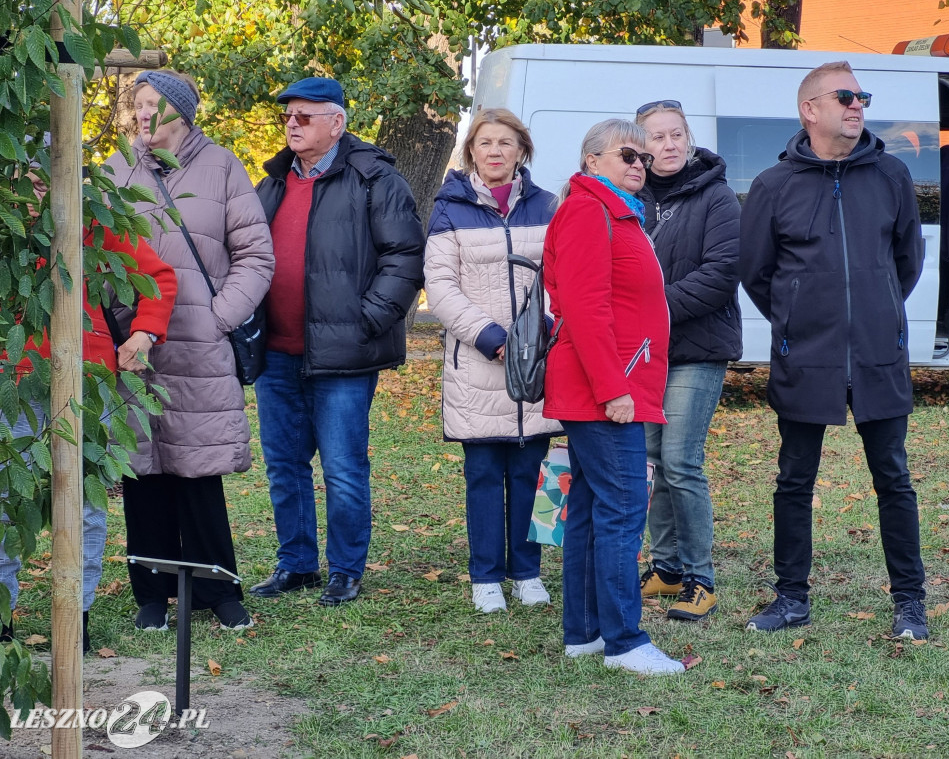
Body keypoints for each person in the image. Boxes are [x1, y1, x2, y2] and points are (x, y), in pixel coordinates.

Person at [739, 61, 928, 640]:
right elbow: (758, 272)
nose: (857, 105)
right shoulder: (774, 186)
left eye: (862, 96)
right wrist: (798, 320)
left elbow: (906, 263)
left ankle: (910, 602)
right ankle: (791, 597)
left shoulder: (892, 175)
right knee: (794, 481)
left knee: (893, 478)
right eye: (844, 96)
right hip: (806, 357)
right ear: (810, 109)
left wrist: (876, 313)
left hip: (878, 355)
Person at [105, 69, 275, 632]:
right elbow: (96, 253)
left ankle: (217, 590)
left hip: (200, 345)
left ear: (182, 110)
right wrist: (115, 323)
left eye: (155, 103)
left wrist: (217, 317)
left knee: (198, 468)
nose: (143, 113)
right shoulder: (114, 170)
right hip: (132, 346)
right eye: (138, 103)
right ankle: (151, 594)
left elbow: (256, 257)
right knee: (143, 468)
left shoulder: (222, 166)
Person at [252, 77, 425, 607]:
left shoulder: (376, 178)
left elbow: (405, 257)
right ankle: (297, 564)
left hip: (344, 354)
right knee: (284, 467)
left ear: (337, 123)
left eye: (304, 116)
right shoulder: (272, 182)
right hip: (275, 352)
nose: (292, 124)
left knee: (344, 469)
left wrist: (367, 320)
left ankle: (345, 570)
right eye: (287, 116)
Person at [1, 163, 178, 649]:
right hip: (13, 377)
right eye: (27, 180)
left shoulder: (96, 221)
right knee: (5, 499)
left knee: (84, 503)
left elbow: (157, 277)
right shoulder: (7, 227)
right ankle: (1, 615)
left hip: (87, 379)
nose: (36, 191)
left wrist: (144, 333)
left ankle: (75, 615)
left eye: (46, 179)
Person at [543, 118, 682, 675]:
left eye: (643, 158)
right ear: (591, 160)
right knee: (622, 511)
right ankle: (625, 641)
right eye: (628, 154)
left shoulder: (617, 211)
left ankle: (585, 633)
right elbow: (585, 308)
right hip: (603, 389)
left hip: (607, 385)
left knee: (591, 508)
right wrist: (613, 389)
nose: (639, 164)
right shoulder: (589, 210)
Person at [424, 109, 562, 614]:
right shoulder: (449, 209)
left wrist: (537, 331)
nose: (495, 151)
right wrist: (492, 337)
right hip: (477, 366)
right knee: (483, 476)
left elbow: (562, 275)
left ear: (521, 150)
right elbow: (440, 286)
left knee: (529, 472)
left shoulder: (548, 205)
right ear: (471, 152)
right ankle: (485, 577)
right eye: (485, 143)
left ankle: (527, 572)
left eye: (506, 142)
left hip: (535, 363)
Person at [634, 100, 742, 622]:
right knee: (651, 460)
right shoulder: (631, 197)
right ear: (640, 147)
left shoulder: (717, 196)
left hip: (697, 348)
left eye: (677, 133)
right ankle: (667, 566)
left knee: (679, 459)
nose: (669, 144)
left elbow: (722, 272)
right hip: (644, 353)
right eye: (657, 137)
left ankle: (701, 578)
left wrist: (651, 310)